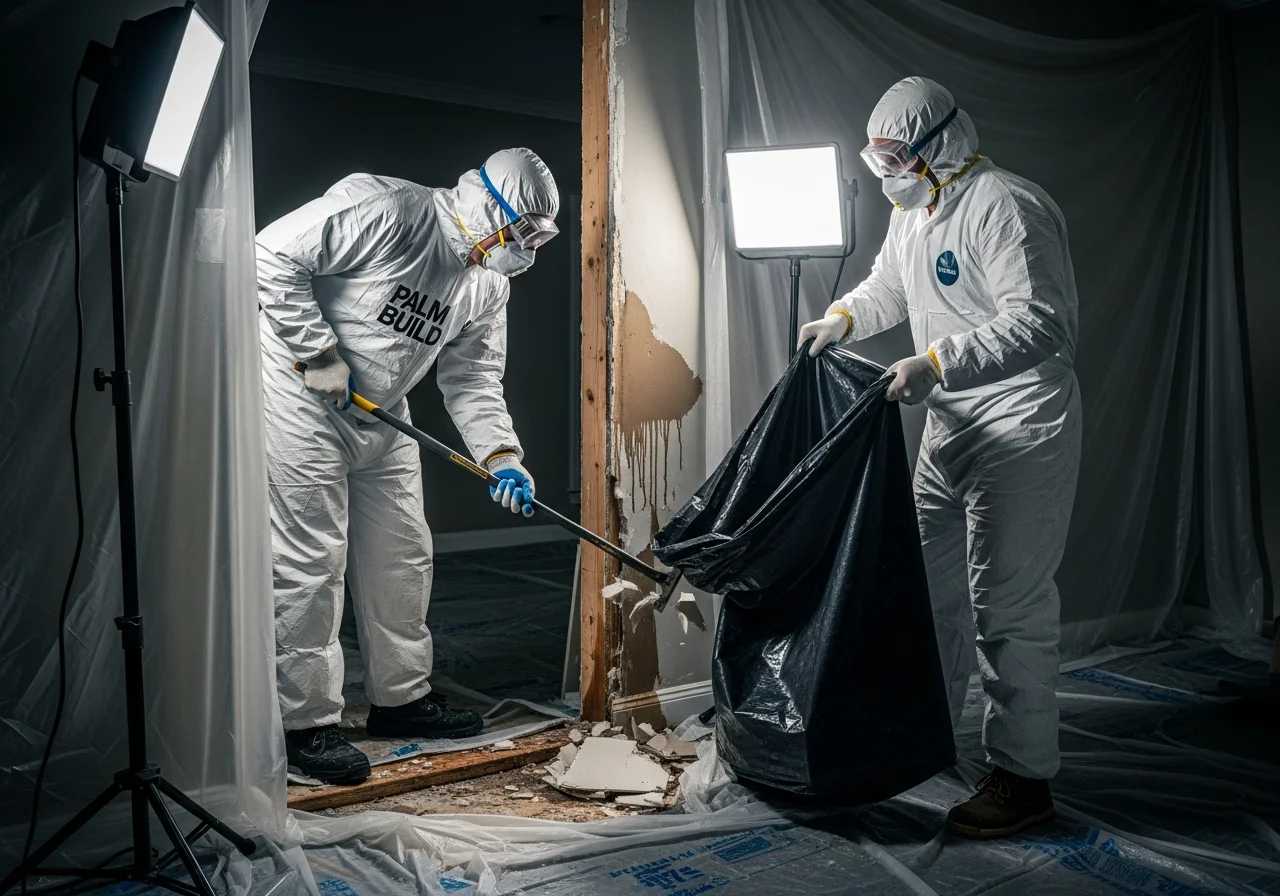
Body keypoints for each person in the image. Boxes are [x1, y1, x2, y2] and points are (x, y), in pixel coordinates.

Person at [799, 77, 1081, 838]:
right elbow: (892, 286)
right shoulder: (919, 214)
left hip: (1020, 423)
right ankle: (926, 735)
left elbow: (1044, 322)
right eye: (876, 157)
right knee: (921, 589)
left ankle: (1024, 779)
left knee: (1008, 608)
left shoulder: (1005, 206)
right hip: (950, 422)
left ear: (936, 147)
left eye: (895, 156)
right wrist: (846, 317)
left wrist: (939, 361)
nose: (884, 171)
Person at [257, 148, 559, 785]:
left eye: (539, 236)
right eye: (523, 230)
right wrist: (316, 351)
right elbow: (271, 253)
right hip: (302, 398)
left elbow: (473, 378)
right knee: (311, 561)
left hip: (383, 410)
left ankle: (403, 700)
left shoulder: (487, 282)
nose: (527, 247)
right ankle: (304, 724)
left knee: (403, 552)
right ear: (488, 209)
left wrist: (503, 457)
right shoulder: (392, 211)